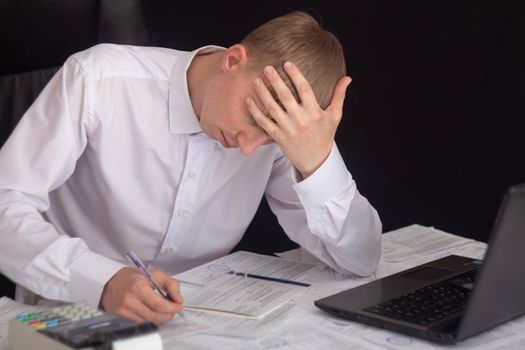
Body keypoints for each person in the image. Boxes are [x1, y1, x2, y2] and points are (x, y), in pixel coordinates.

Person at [0, 11, 381, 324]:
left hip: (197, 321)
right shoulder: (99, 80)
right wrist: (101, 281)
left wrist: (317, 161)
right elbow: (5, 206)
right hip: (68, 310)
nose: (250, 149)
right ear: (233, 60)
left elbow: (360, 260)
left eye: (270, 137)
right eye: (254, 120)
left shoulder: (277, 136)